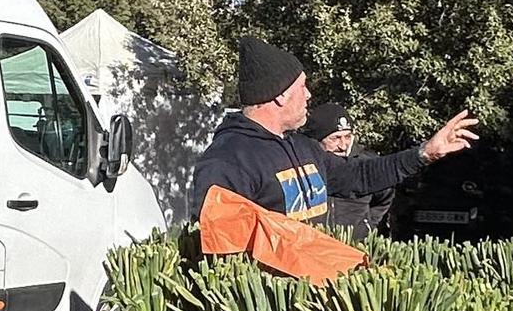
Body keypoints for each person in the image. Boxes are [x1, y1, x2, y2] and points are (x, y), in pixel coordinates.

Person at [190, 37, 478, 224]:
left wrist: (425, 153)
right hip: (270, 310)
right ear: (279, 95)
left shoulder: (303, 147)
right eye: (302, 87)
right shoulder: (228, 161)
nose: (309, 95)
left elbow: (360, 176)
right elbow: (219, 244)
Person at [305, 98, 398, 236]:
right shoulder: (303, 164)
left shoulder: (366, 164)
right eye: (335, 138)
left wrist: (368, 225)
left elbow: (385, 196)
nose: (343, 145)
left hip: (355, 245)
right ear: (317, 140)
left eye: (347, 137)